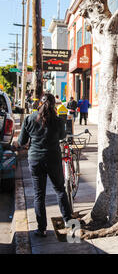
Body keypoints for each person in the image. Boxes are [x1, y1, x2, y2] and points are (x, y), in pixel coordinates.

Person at [15, 93, 72, 237]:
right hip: (53, 159)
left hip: (35, 160)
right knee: (60, 190)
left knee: (39, 195)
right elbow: (62, 136)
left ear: (40, 103)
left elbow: (21, 141)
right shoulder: (58, 121)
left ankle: (42, 229)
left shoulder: (29, 118)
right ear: (54, 104)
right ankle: (69, 222)